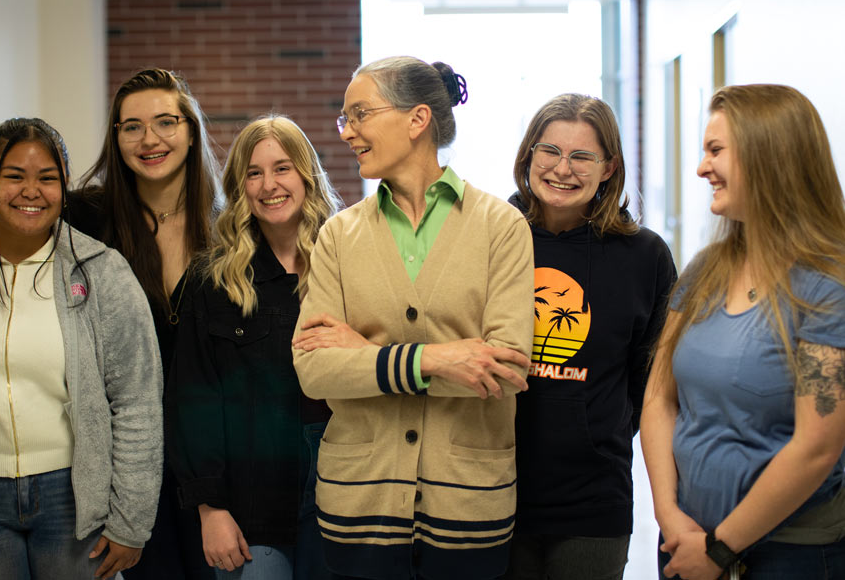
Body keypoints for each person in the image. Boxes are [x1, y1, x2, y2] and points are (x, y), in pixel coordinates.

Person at [0, 68, 222, 580]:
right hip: (100, 462)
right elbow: (14, 210)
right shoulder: (91, 218)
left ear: (191, 128)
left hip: (201, 454)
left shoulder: (227, 228)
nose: (149, 138)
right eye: (131, 126)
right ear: (115, 137)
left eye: (165, 122)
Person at [291, 55, 535, 580]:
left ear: (417, 119)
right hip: (358, 507)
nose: (347, 132)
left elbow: (507, 367)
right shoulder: (338, 235)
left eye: (359, 114)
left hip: (469, 507)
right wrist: (438, 358)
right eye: (344, 118)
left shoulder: (501, 227)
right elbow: (314, 370)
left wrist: (367, 357)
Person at [641, 84, 845, 580]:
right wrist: (671, 518)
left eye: (715, 151)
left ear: (769, 157)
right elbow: (658, 399)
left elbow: (817, 446)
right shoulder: (705, 269)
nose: (701, 168)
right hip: (686, 543)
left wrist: (720, 550)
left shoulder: (827, 288)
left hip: (786, 555)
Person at [505, 94, 676, 580]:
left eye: (582, 156)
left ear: (608, 168)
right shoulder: (491, 238)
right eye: (550, 151)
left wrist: (603, 433)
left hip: (594, 498)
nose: (563, 169)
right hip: (491, 492)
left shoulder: (643, 256)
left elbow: (654, 380)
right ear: (528, 156)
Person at [168, 116, 341, 580]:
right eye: (253, 173)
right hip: (250, 497)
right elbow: (192, 401)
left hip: (344, 479)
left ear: (307, 175)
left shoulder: (346, 263)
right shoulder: (211, 281)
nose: (269, 185)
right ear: (239, 186)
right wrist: (211, 509)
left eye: (282, 168)